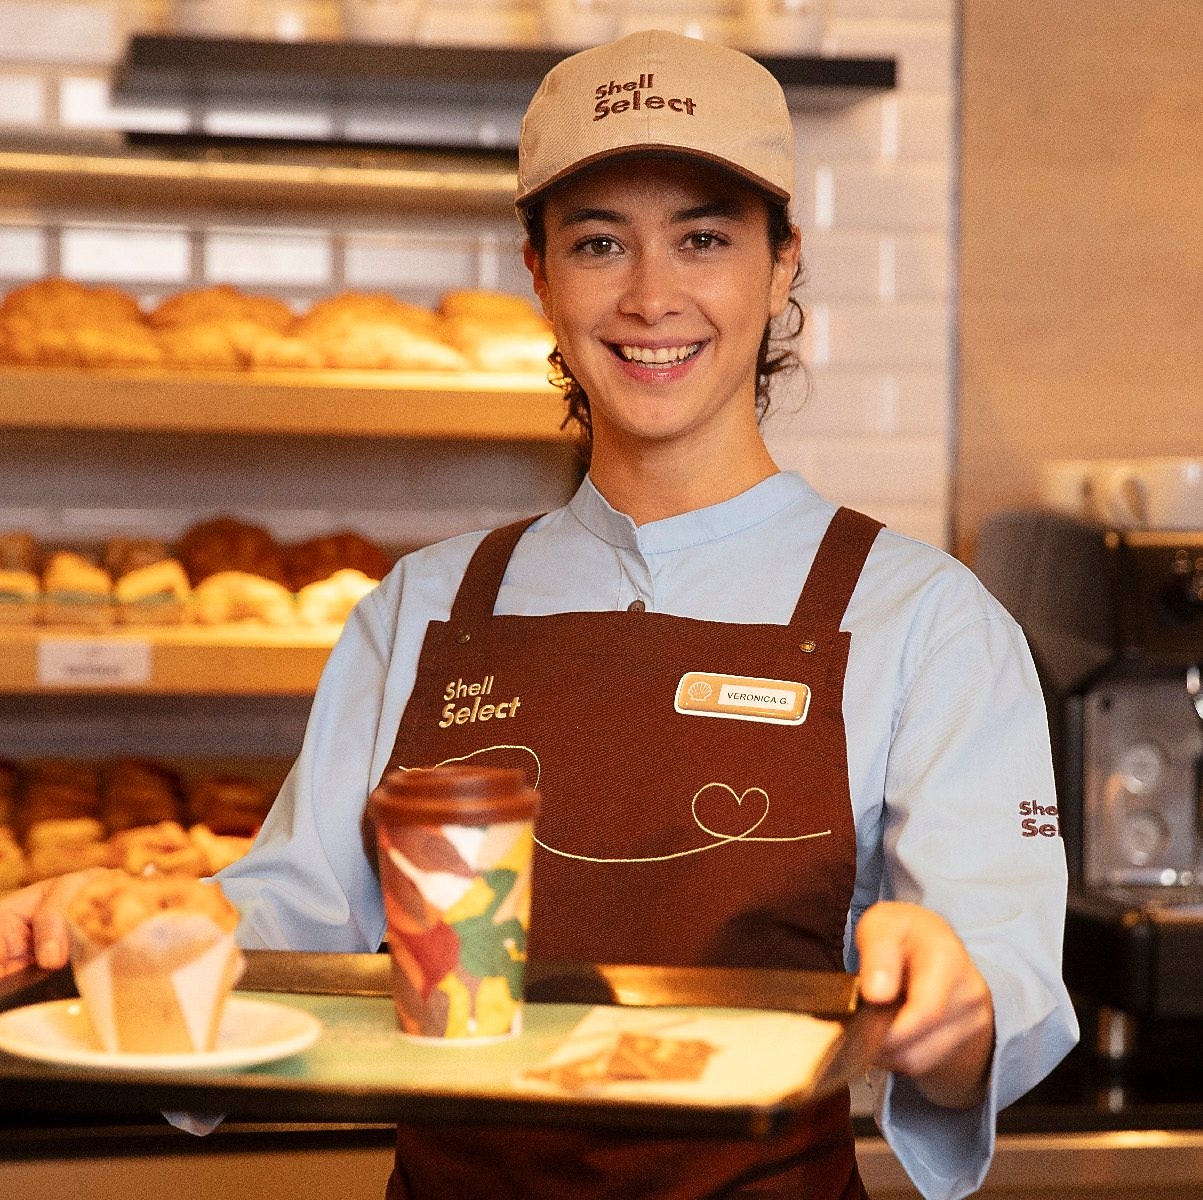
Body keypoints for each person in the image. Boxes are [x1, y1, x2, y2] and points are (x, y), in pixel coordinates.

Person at [1, 29, 1077, 1200]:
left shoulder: (924, 620)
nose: (652, 295)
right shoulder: (421, 609)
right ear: (540, 276)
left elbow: (1003, 983)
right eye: (599, 242)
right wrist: (141, 925)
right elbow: (291, 923)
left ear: (781, 267)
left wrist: (954, 998)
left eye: (704, 238)